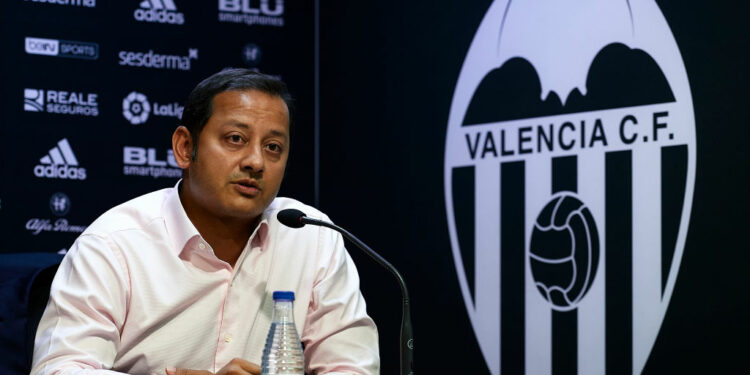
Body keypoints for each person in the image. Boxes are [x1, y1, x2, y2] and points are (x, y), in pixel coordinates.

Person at [31, 69, 379, 375]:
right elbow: (60, 368)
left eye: (273, 147)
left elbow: (351, 366)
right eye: (235, 139)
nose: (256, 161)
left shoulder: (310, 235)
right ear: (185, 147)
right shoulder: (115, 244)